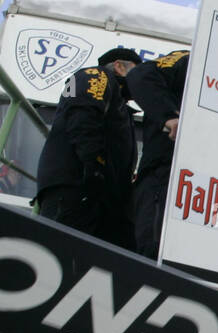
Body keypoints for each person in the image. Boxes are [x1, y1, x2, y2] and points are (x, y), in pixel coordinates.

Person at [34, 47, 141, 250]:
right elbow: (83, 117)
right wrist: (95, 166)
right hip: (76, 185)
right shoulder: (95, 75)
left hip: (99, 195)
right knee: (59, 253)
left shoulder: (119, 101)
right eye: (137, 72)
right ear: (119, 66)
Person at [125, 49, 190, 259]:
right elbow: (140, 75)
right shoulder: (192, 58)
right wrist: (169, 116)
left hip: (209, 191)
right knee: (153, 249)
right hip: (164, 175)